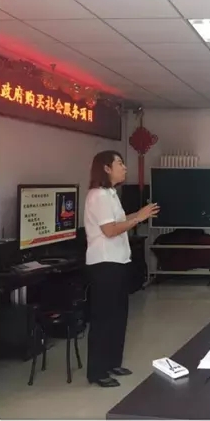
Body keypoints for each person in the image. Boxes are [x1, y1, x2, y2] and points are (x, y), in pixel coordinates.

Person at [84, 151, 159, 388]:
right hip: (104, 263)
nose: (125, 168)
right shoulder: (98, 195)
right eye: (120, 163)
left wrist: (139, 214)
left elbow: (120, 220)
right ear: (106, 168)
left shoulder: (111, 193)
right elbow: (109, 230)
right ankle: (97, 372)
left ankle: (112, 362)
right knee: (104, 319)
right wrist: (138, 219)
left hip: (118, 261)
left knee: (118, 316)